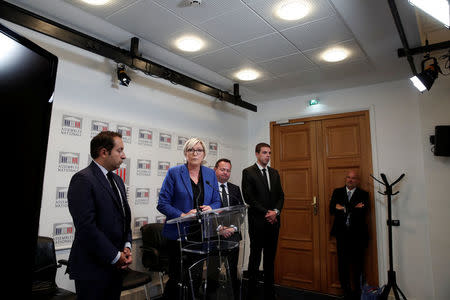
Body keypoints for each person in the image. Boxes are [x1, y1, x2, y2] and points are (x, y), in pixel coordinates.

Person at [67, 131, 132, 300]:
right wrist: (116, 256)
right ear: (104, 152)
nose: (124, 156)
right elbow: (86, 227)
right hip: (92, 269)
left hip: (115, 268)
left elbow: (124, 218)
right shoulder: (83, 179)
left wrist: (127, 245)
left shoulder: (117, 180)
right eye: (120, 150)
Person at [157, 137, 221, 299]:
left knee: (197, 276)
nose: (195, 153)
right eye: (191, 150)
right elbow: (162, 203)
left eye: (198, 150)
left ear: (204, 154)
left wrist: (211, 208)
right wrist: (183, 215)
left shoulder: (209, 174)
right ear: (185, 153)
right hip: (179, 234)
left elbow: (216, 200)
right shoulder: (174, 173)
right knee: (178, 278)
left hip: (201, 233)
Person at [242, 143, 284, 300]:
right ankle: (252, 291)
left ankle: (269, 291)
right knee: (255, 257)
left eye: (269, 153)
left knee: (270, 258)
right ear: (257, 154)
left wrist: (276, 212)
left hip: (273, 222)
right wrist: (267, 212)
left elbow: (281, 196)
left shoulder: (274, 173)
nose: (268, 155)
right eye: (265, 152)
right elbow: (249, 198)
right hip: (258, 222)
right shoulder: (248, 172)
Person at [330, 170, 369, 300]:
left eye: (353, 178)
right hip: (342, 235)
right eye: (348, 177)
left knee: (358, 265)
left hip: (358, 235)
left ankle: (357, 293)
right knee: (342, 265)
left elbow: (363, 212)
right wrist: (353, 207)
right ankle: (346, 293)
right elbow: (331, 209)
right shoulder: (337, 192)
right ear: (345, 178)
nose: (350, 180)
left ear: (357, 180)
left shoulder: (364, 194)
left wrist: (343, 208)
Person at [209, 158, 244, 298]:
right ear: (215, 170)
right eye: (222, 169)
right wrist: (220, 228)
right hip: (214, 237)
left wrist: (233, 228)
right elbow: (208, 213)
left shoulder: (235, 189)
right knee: (213, 272)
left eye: (228, 170)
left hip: (233, 236)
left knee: (232, 271)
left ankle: (234, 296)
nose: (225, 173)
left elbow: (241, 212)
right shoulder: (209, 188)